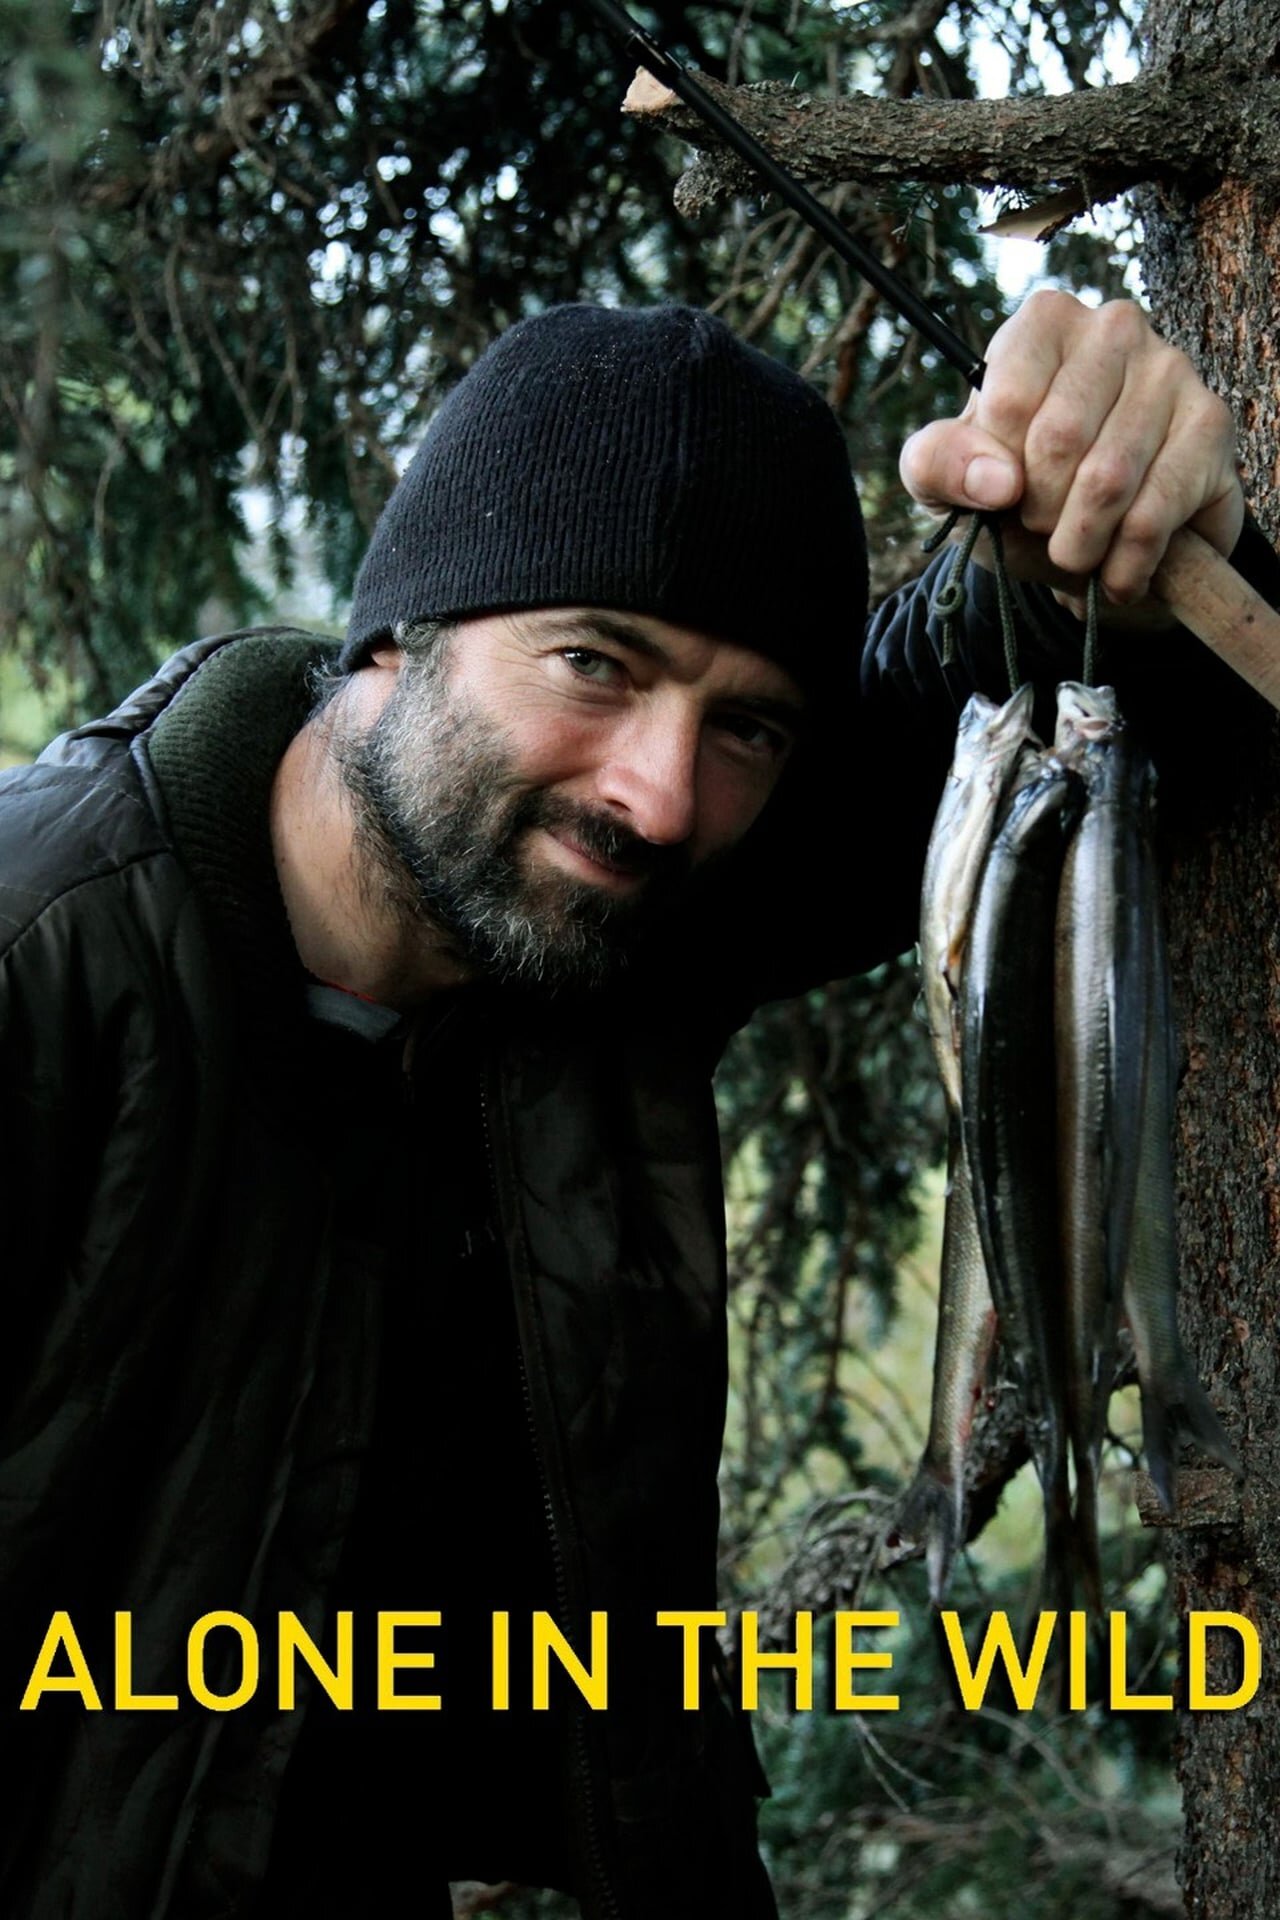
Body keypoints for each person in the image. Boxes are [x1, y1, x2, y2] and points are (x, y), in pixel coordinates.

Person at [0, 292, 1269, 1920]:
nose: (662, 796)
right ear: (396, 637)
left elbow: (1019, 717)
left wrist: (1116, 538)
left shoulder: (602, 915)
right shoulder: (44, 964)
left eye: (746, 726)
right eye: (596, 662)